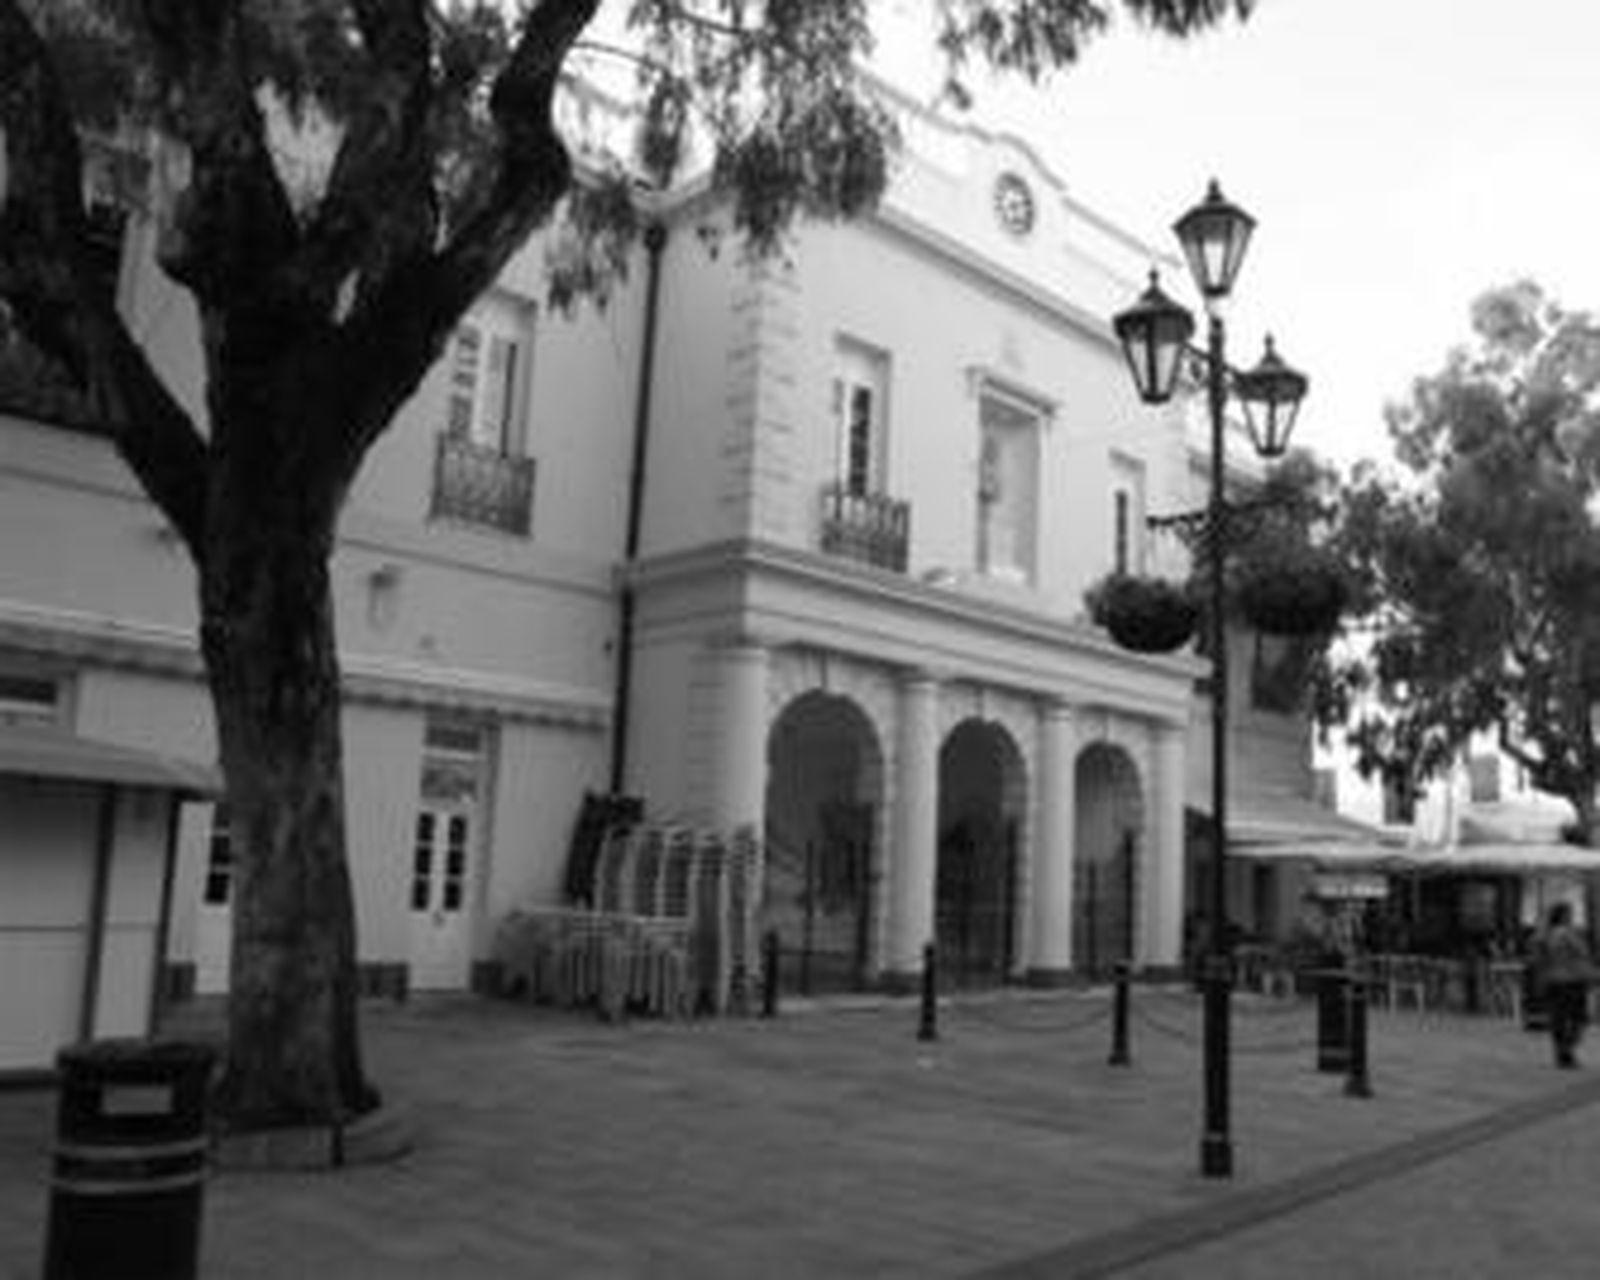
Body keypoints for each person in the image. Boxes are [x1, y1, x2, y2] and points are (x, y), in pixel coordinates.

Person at [1532, 902, 1594, 1068]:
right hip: (1572, 980)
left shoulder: (1543, 935)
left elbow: (1537, 959)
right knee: (1579, 1018)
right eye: (1569, 913)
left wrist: (1541, 978)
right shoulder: (1568, 934)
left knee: (1558, 1018)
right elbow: (1583, 952)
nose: (1572, 917)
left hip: (1553, 981)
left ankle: (1562, 1052)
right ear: (1563, 916)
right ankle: (1567, 1050)